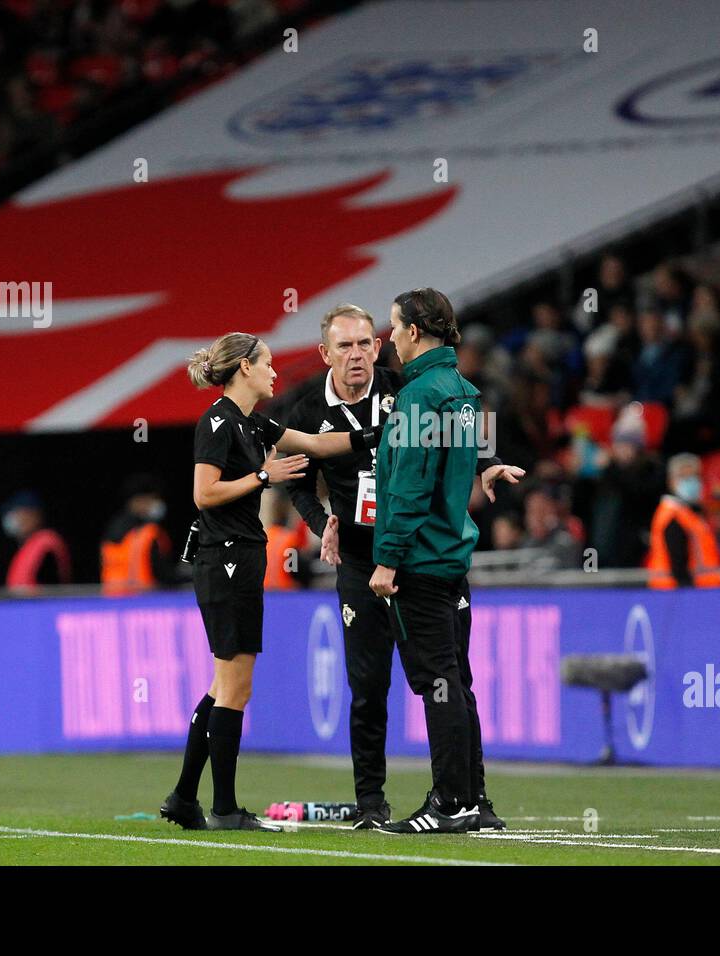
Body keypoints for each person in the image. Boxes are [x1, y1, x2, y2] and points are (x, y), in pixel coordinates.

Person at [284, 304, 522, 829]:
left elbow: (461, 420)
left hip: (411, 558)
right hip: (361, 561)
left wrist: (487, 462)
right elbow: (296, 480)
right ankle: (371, 803)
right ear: (325, 354)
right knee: (369, 685)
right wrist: (320, 518)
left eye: (367, 342)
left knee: (453, 678)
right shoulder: (306, 414)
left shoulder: (405, 386)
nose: (359, 354)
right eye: (345, 346)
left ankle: (471, 797)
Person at [158, 332, 380, 832]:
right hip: (226, 560)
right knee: (235, 689)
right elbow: (203, 493)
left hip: (236, 560)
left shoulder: (251, 423)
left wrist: (373, 434)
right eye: (267, 364)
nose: (274, 372)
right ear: (243, 369)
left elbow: (318, 444)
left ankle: (184, 797)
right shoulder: (217, 422)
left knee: (221, 687)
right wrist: (263, 477)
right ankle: (226, 808)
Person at [368, 289, 502, 834]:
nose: (389, 338)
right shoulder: (465, 393)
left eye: (395, 327)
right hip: (453, 559)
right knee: (457, 682)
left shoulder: (418, 397)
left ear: (416, 332)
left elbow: (408, 486)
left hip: (419, 561)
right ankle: (473, 799)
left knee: (437, 683)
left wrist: (387, 558)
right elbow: (454, 471)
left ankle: (450, 803)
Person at [645, 453, 720, 588]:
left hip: (699, 591)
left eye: (694, 477)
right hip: (675, 594)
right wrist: (688, 593)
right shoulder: (673, 516)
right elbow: (678, 563)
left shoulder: (689, 514)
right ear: (671, 481)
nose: (691, 482)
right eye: (684, 477)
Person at [100, 475, 177, 595]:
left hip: (112, 602)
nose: (156, 504)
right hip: (143, 601)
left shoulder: (112, 528)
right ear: (137, 501)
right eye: (152, 499)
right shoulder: (149, 532)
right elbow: (163, 574)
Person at [1, 491, 71, 591]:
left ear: (35, 516)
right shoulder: (27, 545)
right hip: (22, 605)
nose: (12, 519)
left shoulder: (47, 542)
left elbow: (52, 586)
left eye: (18, 513)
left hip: (43, 605)